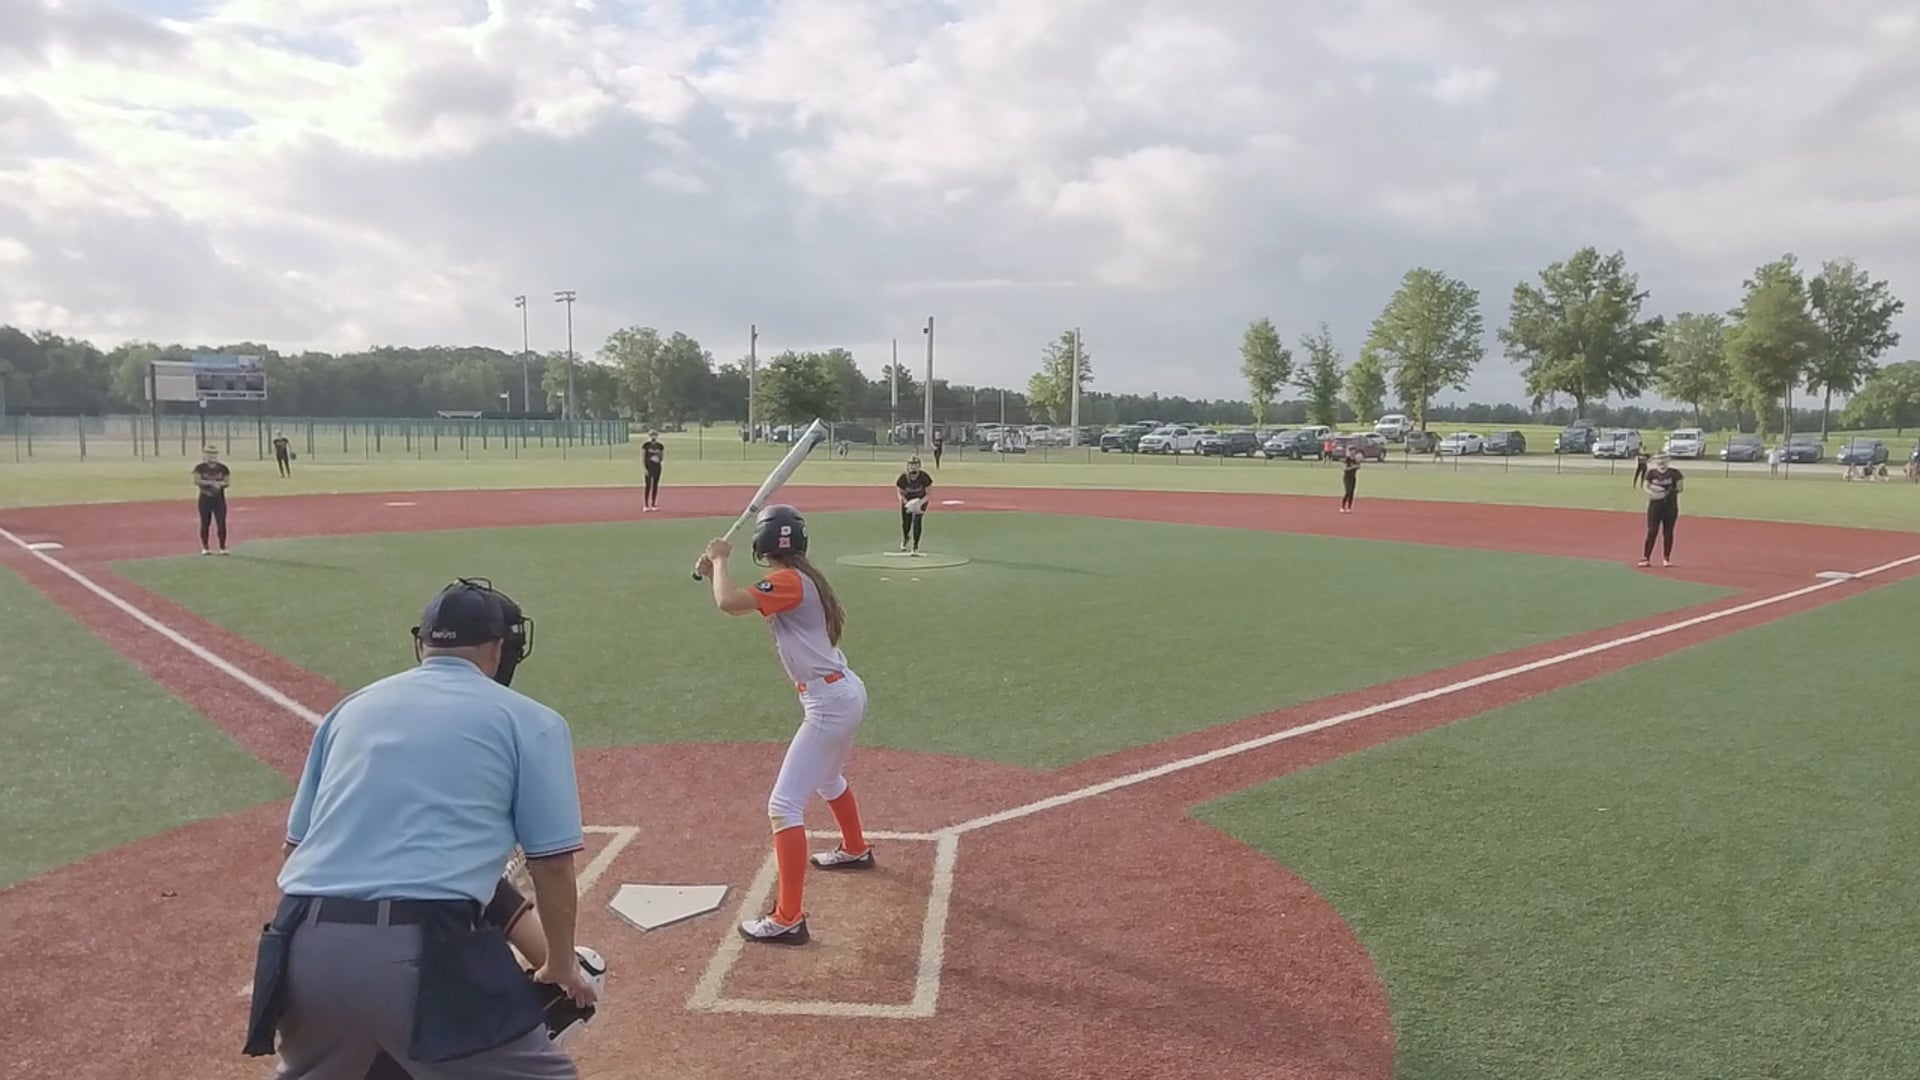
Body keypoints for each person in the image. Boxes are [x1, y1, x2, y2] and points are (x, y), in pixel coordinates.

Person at [243, 578, 597, 1078]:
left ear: (423, 644)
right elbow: (553, 866)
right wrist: (559, 962)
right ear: (497, 649)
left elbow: (293, 849)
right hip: (424, 952)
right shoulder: (530, 720)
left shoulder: (350, 709)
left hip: (302, 943)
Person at [693, 506, 874, 946]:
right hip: (841, 693)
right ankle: (855, 848)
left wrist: (720, 559)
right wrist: (716, 569)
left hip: (830, 703)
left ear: (763, 544)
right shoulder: (800, 578)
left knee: (783, 805)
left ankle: (788, 917)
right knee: (828, 778)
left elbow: (729, 603)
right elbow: (736, 596)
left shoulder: (790, 581)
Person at [1638, 454, 1684, 568]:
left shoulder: (1674, 473)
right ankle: (1646, 558)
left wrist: (1665, 492)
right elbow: (1646, 486)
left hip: (1670, 506)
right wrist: (1653, 492)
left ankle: (1666, 558)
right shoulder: (1651, 473)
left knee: (1668, 532)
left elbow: (1680, 488)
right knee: (1652, 531)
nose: (1661, 462)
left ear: (1668, 461)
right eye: (1659, 460)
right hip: (1655, 506)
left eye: (1664, 460)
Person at [192, 447, 231, 555]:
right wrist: (212, 483)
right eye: (209, 454)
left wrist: (219, 484)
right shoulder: (200, 468)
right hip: (205, 499)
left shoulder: (223, 468)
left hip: (219, 499)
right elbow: (197, 480)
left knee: (221, 523)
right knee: (205, 523)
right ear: (205, 455)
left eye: (214, 454)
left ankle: (222, 547)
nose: (212, 456)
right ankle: (205, 547)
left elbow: (227, 482)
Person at [896, 456, 932, 554]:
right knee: (906, 523)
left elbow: (928, 494)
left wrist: (919, 503)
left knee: (917, 521)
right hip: (907, 501)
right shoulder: (903, 478)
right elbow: (900, 493)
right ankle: (906, 537)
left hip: (921, 500)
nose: (913, 467)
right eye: (911, 465)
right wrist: (906, 503)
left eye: (915, 465)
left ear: (919, 466)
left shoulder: (924, 477)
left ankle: (915, 545)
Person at [640, 431, 664, 512]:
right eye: (652, 435)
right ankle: (646, 505)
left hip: (657, 467)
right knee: (648, 485)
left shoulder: (660, 446)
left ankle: (653, 504)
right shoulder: (646, 445)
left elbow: (662, 457)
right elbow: (643, 457)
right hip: (649, 468)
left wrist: (658, 458)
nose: (653, 437)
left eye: (655, 435)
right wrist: (645, 468)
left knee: (655, 485)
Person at [1339, 445, 1362, 514]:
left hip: (1353, 477)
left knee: (1352, 493)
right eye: (1351, 450)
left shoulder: (1355, 459)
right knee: (1347, 492)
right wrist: (1354, 467)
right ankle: (1342, 507)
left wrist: (1358, 462)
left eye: (1354, 450)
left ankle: (1349, 507)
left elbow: (1358, 467)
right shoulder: (1347, 459)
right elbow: (1345, 468)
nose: (1353, 452)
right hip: (1347, 477)